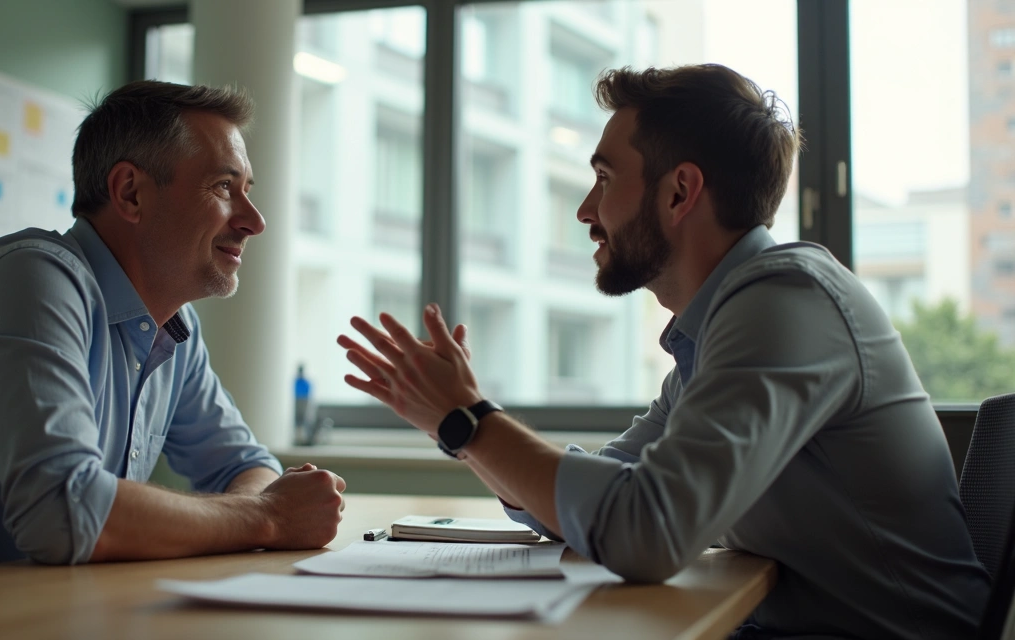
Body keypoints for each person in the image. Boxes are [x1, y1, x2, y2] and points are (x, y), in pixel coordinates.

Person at [337, 64, 989, 638]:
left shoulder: (783, 303)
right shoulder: (713, 332)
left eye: (603, 178)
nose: (585, 210)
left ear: (679, 192)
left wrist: (470, 422)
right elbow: (607, 492)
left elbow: (645, 531)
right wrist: (459, 424)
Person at [0, 81, 346, 584]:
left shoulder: (174, 324)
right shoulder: (32, 281)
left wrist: (255, 509)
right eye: (222, 187)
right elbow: (64, 513)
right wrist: (267, 519)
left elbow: (248, 466)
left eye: (247, 193)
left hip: (46, 611)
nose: (254, 221)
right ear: (130, 193)